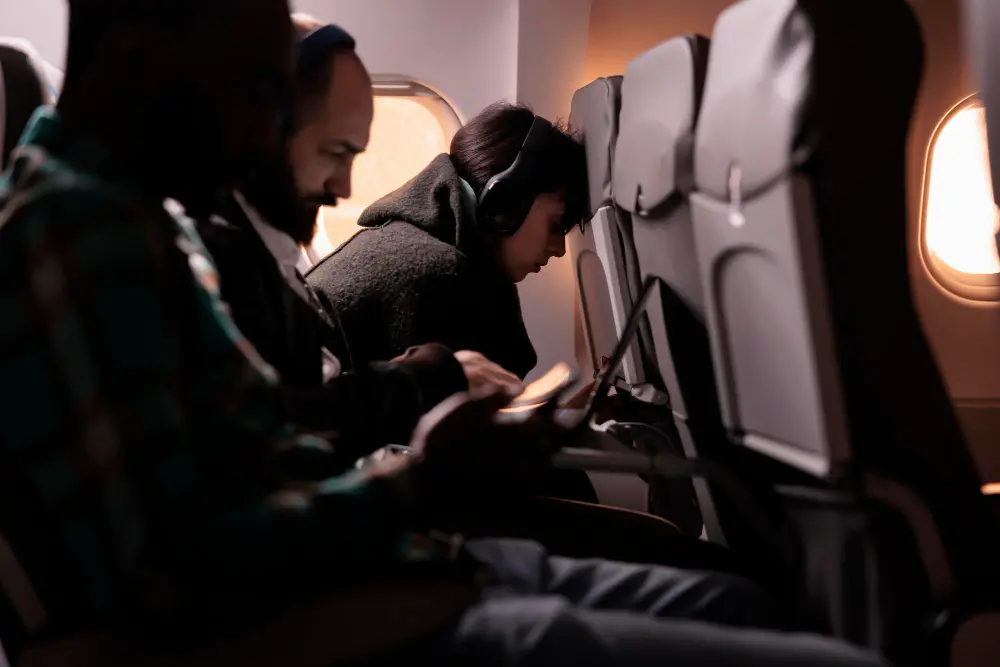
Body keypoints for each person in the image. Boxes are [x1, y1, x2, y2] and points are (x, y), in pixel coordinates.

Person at [0, 1, 890, 665]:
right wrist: (422, 478)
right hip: (322, 617)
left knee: (736, 607)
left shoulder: (146, 222)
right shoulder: (81, 236)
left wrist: (409, 475)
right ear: (138, 36)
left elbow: (252, 464)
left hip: (375, 566)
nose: (256, 139)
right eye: (251, 92)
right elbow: (177, 572)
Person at [197, 15, 521, 460]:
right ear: (267, 133)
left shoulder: (274, 259)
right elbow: (280, 436)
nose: (344, 189)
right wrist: (425, 377)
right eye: (334, 153)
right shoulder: (217, 260)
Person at [306, 101, 588, 381]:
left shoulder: (409, 246)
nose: (559, 250)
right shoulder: (435, 272)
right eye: (555, 225)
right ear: (507, 203)